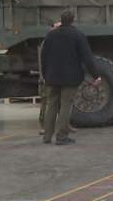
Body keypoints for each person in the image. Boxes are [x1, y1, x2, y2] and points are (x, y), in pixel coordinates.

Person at [40, 10, 101, 145]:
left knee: (52, 105)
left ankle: (47, 136)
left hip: (52, 77)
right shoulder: (78, 35)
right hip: (70, 78)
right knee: (66, 106)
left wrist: (45, 75)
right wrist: (96, 75)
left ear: (61, 20)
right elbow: (87, 58)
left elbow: (44, 57)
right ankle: (61, 136)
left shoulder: (50, 36)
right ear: (73, 20)